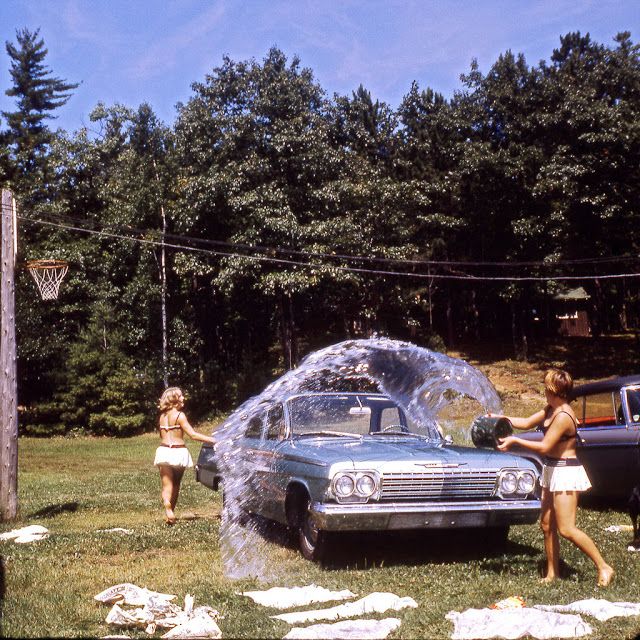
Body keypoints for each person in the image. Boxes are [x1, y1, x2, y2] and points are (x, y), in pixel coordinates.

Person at [495, 368, 614, 587]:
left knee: (566, 528)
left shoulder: (563, 416)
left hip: (566, 472)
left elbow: (545, 446)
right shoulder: (551, 409)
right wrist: (500, 418)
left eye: (546, 388)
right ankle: (552, 573)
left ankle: (603, 566)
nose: (544, 391)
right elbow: (527, 421)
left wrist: (515, 441)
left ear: (556, 391)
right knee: (546, 524)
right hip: (552, 469)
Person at [154, 387, 215, 525]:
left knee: (166, 484)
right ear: (175, 399)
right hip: (178, 451)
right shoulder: (180, 416)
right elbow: (192, 435)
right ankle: (171, 511)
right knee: (176, 484)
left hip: (163, 451)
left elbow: (163, 435)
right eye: (181, 396)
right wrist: (214, 440)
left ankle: (168, 508)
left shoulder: (162, 417)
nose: (183, 398)